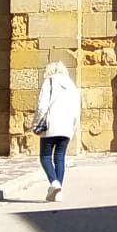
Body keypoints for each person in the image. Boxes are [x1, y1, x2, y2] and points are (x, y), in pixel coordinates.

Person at [36, 59, 81, 200]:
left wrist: (38, 122)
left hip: (51, 125)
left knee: (45, 156)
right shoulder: (72, 86)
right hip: (67, 126)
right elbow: (77, 109)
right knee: (60, 157)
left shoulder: (49, 82)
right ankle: (58, 192)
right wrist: (73, 127)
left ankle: (54, 183)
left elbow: (42, 105)